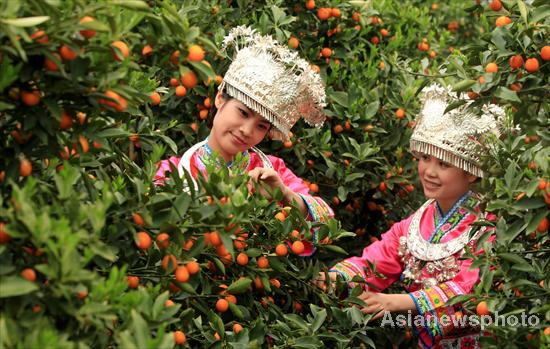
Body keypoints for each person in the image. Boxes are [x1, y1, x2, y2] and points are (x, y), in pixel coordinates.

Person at [316, 84, 505, 348]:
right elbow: (376, 260)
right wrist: (340, 277)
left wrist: (399, 302)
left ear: (471, 172)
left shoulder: (488, 226)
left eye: (444, 163)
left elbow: (470, 288)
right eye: (425, 157)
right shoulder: (414, 224)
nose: (429, 171)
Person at [154, 26, 333, 256]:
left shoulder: (272, 170)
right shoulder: (173, 171)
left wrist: (284, 194)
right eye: (243, 113)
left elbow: (327, 225)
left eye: (261, 126)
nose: (247, 131)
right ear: (220, 98)